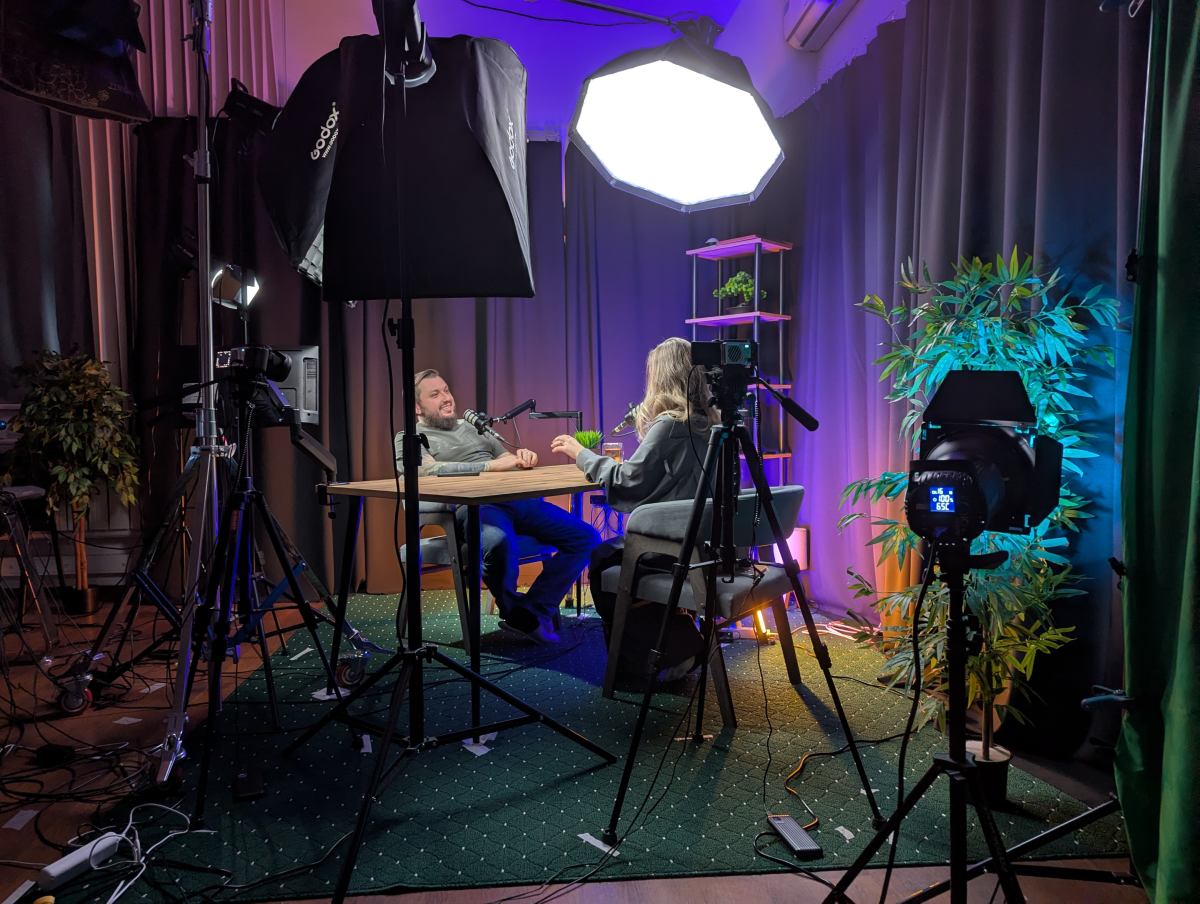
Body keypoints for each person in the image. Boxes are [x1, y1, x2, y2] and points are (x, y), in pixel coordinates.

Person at [550, 337, 718, 680]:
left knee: (602, 560)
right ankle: (674, 642)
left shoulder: (669, 425)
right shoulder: (711, 423)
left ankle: (661, 654)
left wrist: (581, 454)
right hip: (705, 543)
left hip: (674, 548)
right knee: (610, 556)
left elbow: (627, 482)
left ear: (661, 377)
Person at [398, 368, 600, 644]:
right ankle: (515, 609)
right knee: (498, 542)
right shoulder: (409, 437)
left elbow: (507, 460)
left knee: (587, 537)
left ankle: (532, 610)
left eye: (446, 390)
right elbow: (425, 471)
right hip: (476, 508)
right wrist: (490, 466)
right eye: (435, 394)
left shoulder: (474, 427)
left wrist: (522, 458)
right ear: (417, 407)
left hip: (517, 500)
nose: (446, 398)